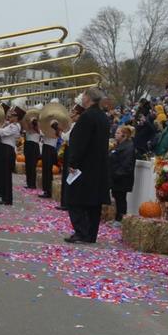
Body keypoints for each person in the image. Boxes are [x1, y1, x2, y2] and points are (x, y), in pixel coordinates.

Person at [62, 88, 111, 244]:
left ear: (88, 98)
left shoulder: (86, 117)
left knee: (73, 199)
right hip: (99, 165)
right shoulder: (103, 117)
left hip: (84, 165)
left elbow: (80, 143)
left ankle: (81, 231)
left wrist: (73, 162)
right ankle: (91, 234)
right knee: (93, 203)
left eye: (83, 95)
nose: (82, 98)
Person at [109, 125, 136, 222]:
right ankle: (117, 218)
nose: (115, 134)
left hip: (122, 178)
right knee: (117, 198)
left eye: (118, 133)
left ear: (124, 135)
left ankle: (120, 219)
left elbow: (126, 165)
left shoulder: (128, 147)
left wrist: (116, 174)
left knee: (121, 199)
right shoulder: (118, 145)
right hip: (116, 177)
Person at [22, 108, 41, 188]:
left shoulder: (38, 124)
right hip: (28, 144)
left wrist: (34, 124)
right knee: (28, 165)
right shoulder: (28, 124)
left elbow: (39, 131)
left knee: (32, 165)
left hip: (34, 145)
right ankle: (29, 183)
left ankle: (32, 184)